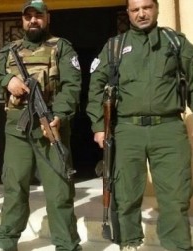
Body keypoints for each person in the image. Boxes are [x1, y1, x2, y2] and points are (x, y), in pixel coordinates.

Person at [87, 0, 193, 250]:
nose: (141, 13)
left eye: (147, 7)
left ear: (156, 8)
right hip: (126, 130)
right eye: (135, 10)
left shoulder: (176, 43)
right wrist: (99, 126)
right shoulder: (114, 46)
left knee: (175, 196)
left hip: (168, 129)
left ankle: (177, 246)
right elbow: (96, 87)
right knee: (125, 194)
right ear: (128, 13)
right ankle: (129, 243)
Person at [0, 0, 82, 250]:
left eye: (38, 16)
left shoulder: (62, 47)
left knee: (59, 190)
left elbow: (71, 87)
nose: (33, 21)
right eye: (28, 17)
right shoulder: (10, 50)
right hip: (18, 130)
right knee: (14, 187)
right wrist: (9, 81)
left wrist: (59, 115)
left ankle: (67, 244)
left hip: (51, 127)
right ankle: (6, 241)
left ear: (47, 18)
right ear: (22, 20)